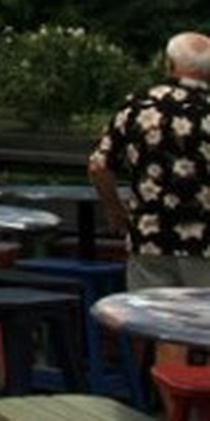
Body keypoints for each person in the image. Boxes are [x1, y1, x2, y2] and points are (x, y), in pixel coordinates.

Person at [90, 31, 210, 289]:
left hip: (150, 236)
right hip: (204, 243)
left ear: (169, 63)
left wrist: (115, 211)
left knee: (151, 323)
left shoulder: (139, 105)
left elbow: (99, 166)